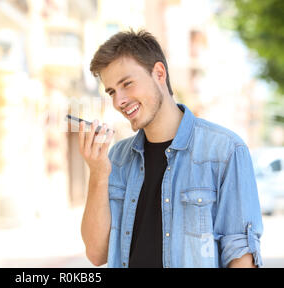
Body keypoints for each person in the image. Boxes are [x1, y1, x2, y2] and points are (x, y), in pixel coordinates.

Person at [79, 29, 263, 268]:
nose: (118, 101)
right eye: (112, 91)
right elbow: (96, 253)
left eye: (127, 84)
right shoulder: (117, 159)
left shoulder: (225, 151)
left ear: (159, 73)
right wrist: (98, 173)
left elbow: (241, 258)